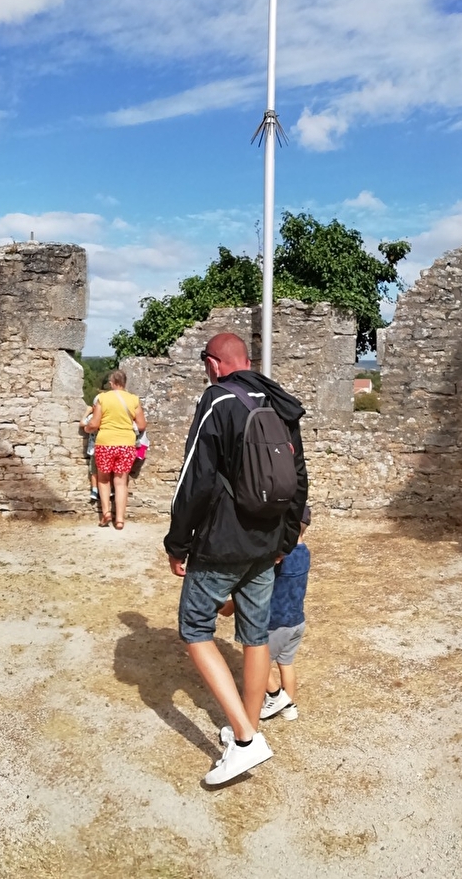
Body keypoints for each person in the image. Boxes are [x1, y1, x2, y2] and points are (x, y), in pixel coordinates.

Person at [165, 332, 308, 786]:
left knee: (194, 628)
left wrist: (177, 542)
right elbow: (300, 477)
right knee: (254, 633)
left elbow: (196, 479)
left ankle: (245, 741)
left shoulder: (216, 400)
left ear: (214, 363)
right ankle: (248, 726)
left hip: (223, 543)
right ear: (246, 360)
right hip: (267, 543)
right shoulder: (278, 400)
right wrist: (286, 540)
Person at [222, 506, 312, 722]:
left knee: (258, 664)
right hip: (296, 621)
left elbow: (255, 588)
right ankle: (289, 708)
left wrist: (229, 606)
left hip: (276, 623)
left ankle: (276, 699)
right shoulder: (304, 552)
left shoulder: (278, 559)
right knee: (286, 664)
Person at [87, 369, 146, 530]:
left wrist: (87, 428)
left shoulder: (103, 398)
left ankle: (106, 513)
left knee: (104, 480)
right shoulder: (133, 399)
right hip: (126, 445)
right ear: (125, 383)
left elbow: (94, 424)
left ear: (112, 383)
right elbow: (141, 425)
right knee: (121, 483)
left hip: (105, 443)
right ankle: (119, 520)